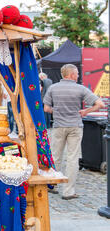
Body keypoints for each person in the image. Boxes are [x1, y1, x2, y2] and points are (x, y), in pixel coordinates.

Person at [43, 64, 104, 200]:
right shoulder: (80, 88)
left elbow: (46, 108)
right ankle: (68, 191)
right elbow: (100, 104)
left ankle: (53, 185)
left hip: (58, 126)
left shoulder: (53, 88)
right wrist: (85, 111)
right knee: (72, 158)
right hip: (75, 126)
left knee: (55, 156)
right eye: (76, 74)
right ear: (71, 75)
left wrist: (57, 112)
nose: (78, 76)